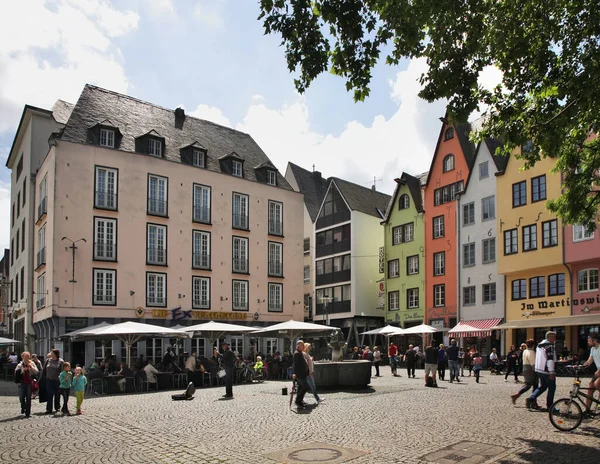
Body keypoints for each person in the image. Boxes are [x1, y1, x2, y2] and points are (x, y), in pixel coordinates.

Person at [529, 331, 557, 411]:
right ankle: (550, 406)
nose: (555, 339)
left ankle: (532, 397)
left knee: (543, 386)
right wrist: (551, 371)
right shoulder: (549, 346)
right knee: (552, 388)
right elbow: (550, 359)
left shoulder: (539, 345)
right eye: (554, 337)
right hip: (547, 370)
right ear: (550, 337)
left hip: (539, 369)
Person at [511, 339, 537, 405]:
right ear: (533, 345)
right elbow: (533, 364)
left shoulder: (525, 351)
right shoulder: (532, 352)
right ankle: (533, 401)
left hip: (525, 369)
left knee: (528, 385)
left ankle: (532, 401)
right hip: (530, 370)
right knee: (534, 386)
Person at [15, 351, 39, 417]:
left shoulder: (32, 363)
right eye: (25, 357)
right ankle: (23, 407)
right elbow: (16, 373)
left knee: (28, 397)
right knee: (21, 397)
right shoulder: (20, 365)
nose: (27, 358)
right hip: (22, 383)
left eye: (28, 357)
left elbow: (36, 372)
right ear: (22, 357)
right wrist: (23, 370)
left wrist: (31, 367)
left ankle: (28, 412)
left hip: (29, 383)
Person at [581, 333, 600, 415]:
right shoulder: (592, 349)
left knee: (597, 384)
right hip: (598, 372)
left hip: (599, 371)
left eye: (589, 340)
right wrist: (580, 366)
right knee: (590, 389)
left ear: (594, 340)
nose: (588, 342)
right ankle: (587, 410)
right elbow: (589, 360)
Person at [44, 349, 64, 414]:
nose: (51, 355)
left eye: (52, 353)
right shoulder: (48, 360)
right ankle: (49, 409)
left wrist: (61, 378)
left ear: (56, 354)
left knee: (57, 394)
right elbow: (44, 369)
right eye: (51, 353)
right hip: (48, 379)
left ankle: (57, 407)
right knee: (49, 394)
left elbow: (62, 371)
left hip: (57, 380)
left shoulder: (60, 361)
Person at [292, 340, 310, 409]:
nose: (303, 346)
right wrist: (294, 373)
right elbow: (295, 364)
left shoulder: (300, 353)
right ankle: (298, 401)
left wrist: (307, 371)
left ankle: (299, 400)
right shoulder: (297, 353)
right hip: (299, 374)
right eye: (302, 345)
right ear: (299, 346)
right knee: (305, 387)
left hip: (303, 374)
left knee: (300, 387)